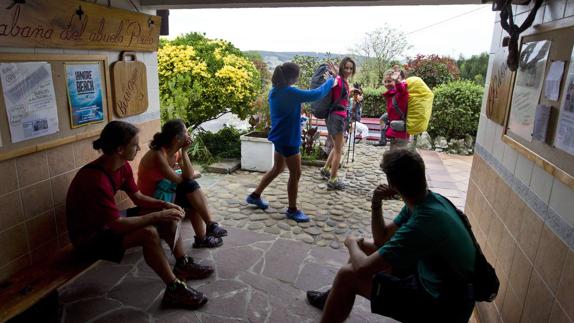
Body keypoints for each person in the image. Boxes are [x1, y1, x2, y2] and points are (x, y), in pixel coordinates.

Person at [307, 148, 476, 323]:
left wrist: (351, 243)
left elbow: (363, 269)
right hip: (436, 280)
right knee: (365, 247)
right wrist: (376, 202)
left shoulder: (423, 223)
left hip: (443, 307)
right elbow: (382, 239)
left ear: (391, 183)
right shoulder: (426, 200)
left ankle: (338, 297)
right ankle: (333, 299)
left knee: (347, 275)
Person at [66, 121, 212, 310]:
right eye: (134, 145)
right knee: (148, 233)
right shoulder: (96, 180)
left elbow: (138, 197)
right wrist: (158, 216)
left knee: (165, 216)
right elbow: (117, 225)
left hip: (106, 224)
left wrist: (163, 205)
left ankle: (182, 263)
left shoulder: (122, 166)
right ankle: (173, 288)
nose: (139, 148)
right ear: (119, 149)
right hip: (89, 238)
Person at [245, 62, 337, 222]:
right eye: (297, 75)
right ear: (292, 77)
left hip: (280, 137)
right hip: (288, 139)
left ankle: (255, 195)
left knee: (278, 168)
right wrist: (331, 80)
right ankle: (292, 210)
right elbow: (316, 94)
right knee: (296, 173)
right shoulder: (289, 92)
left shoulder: (276, 91)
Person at [138, 119, 227, 248]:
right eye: (186, 131)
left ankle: (207, 230)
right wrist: (189, 176)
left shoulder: (177, 151)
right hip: (153, 197)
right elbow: (179, 180)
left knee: (191, 192)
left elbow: (188, 175)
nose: (188, 134)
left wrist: (185, 152)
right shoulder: (158, 155)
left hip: (166, 191)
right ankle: (208, 229)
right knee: (189, 189)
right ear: (177, 138)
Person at [320, 57, 356, 190]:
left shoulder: (344, 81)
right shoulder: (338, 80)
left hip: (335, 116)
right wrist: (334, 76)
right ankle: (333, 179)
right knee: (339, 149)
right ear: (341, 67)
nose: (348, 70)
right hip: (337, 118)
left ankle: (325, 169)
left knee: (337, 146)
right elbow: (333, 84)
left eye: (351, 68)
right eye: (346, 67)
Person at [377, 66, 409, 149]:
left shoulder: (400, 92)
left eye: (390, 81)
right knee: (394, 157)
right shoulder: (391, 95)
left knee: (398, 158)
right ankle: (383, 139)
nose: (387, 84)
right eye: (385, 81)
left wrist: (397, 81)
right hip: (395, 131)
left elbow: (401, 89)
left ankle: (383, 140)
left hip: (400, 133)